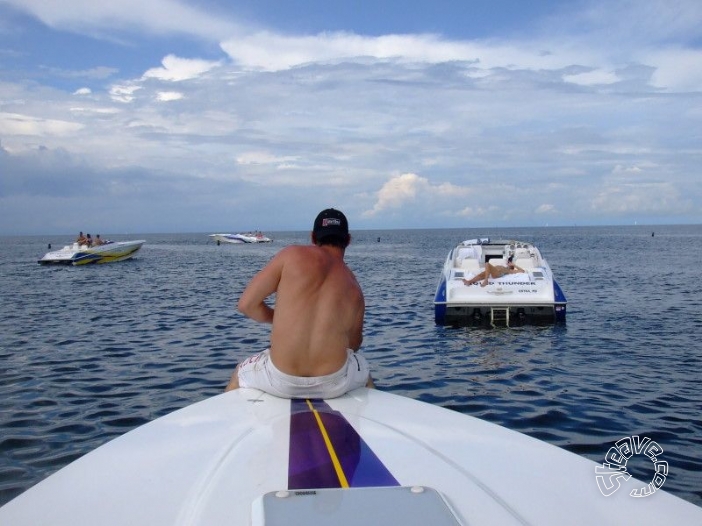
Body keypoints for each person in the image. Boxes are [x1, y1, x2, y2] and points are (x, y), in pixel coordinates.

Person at [225, 208, 373, 398]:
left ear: (312, 237)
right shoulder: (354, 287)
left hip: (279, 378)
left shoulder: (291, 255)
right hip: (333, 383)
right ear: (348, 240)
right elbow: (353, 344)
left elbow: (246, 305)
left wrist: (280, 319)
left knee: (239, 372)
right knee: (364, 373)